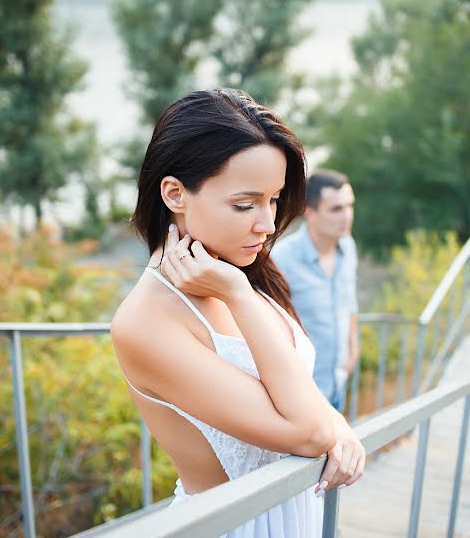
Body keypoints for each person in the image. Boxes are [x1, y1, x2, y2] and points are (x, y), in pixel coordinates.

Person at [110, 88, 365, 537]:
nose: (267, 224)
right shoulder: (145, 323)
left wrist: (338, 422)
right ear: (174, 194)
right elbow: (307, 432)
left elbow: (300, 394)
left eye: (273, 200)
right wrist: (238, 295)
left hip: (298, 516)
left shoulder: (244, 270)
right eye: (245, 204)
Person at [272, 170, 358, 411]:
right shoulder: (282, 259)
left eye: (350, 206)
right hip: (302, 393)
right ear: (310, 212)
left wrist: (353, 347)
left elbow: (349, 301)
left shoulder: (348, 247)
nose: (347, 216)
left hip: (338, 379)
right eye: (336, 209)